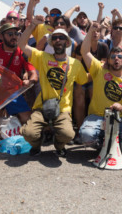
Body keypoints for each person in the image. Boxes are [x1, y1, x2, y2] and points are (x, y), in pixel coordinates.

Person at [18, 16, 88, 157]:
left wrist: (105, 70)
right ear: (51, 42)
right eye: (55, 38)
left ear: (67, 42)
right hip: (41, 106)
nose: (58, 41)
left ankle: (59, 145)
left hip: (63, 109)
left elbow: (85, 79)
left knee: (68, 134)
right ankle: (36, 145)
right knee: (28, 133)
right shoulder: (43, 57)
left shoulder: (75, 64)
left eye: (61, 38)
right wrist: (32, 25)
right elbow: (21, 45)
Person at [79, 24, 122, 152]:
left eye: (120, 57)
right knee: (86, 136)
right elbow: (85, 51)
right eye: (113, 57)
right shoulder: (99, 70)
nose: (116, 59)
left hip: (120, 117)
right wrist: (91, 30)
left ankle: (115, 144)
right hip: (97, 116)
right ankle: (102, 144)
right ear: (108, 60)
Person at [0, 23, 38, 125]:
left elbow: (34, 74)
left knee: (26, 118)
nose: (14, 37)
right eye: (10, 34)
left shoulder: (22, 52)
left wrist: (30, 81)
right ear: (1, 36)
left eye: (16, 34)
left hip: (13, 91)